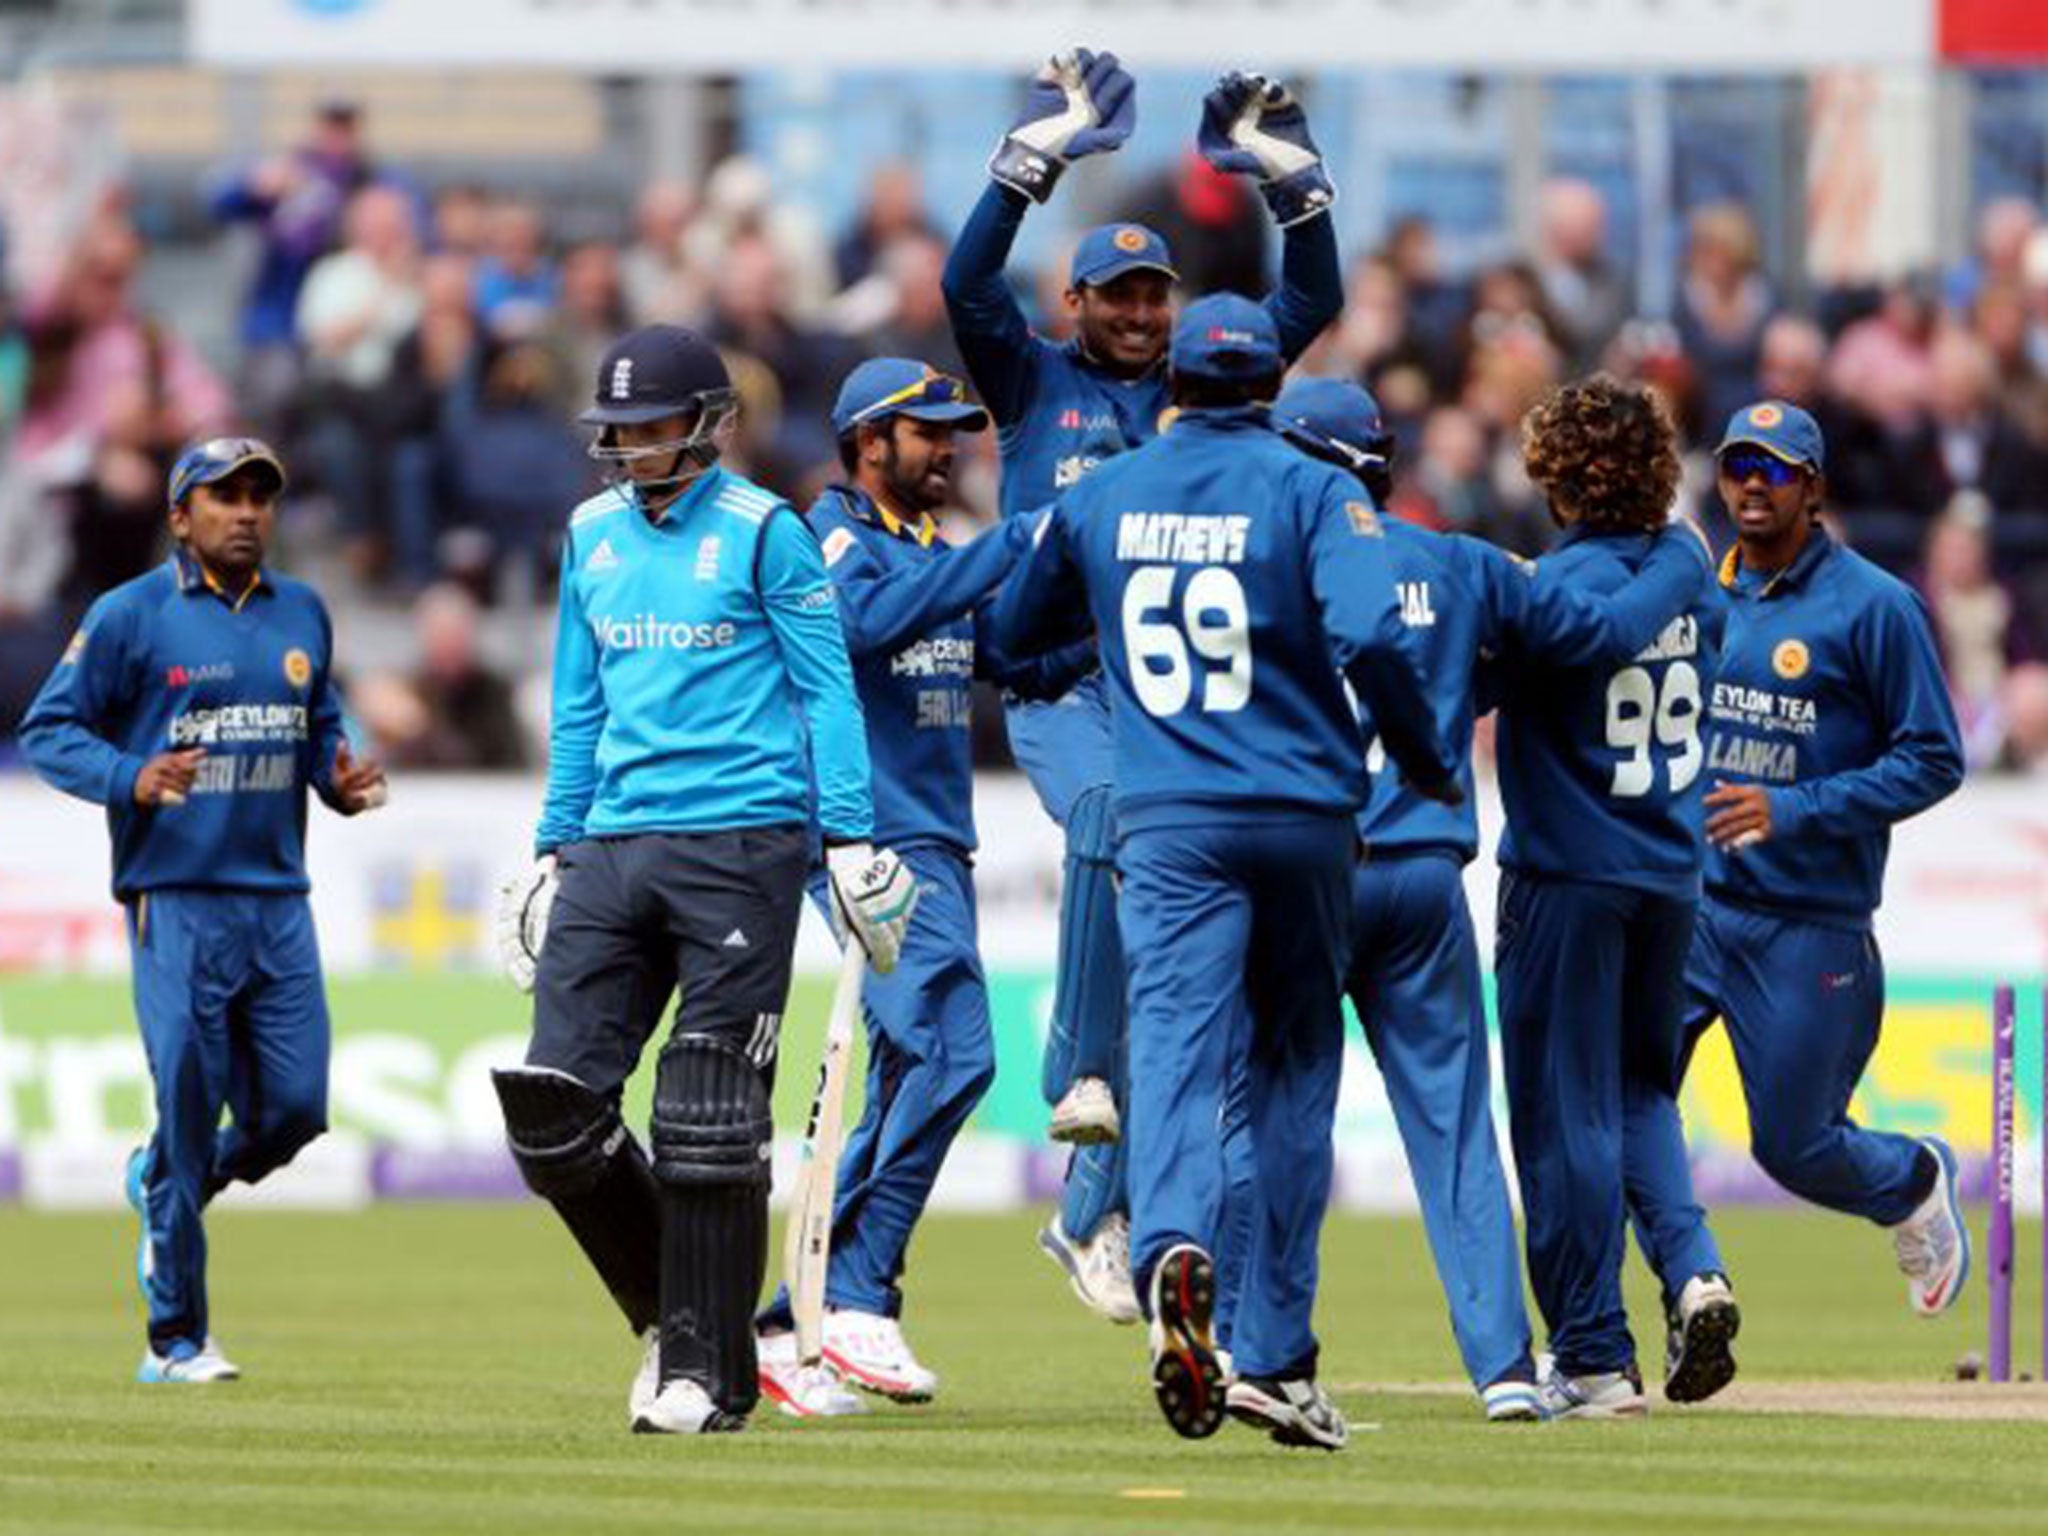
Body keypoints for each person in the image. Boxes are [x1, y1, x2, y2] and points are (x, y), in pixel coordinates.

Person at [994, 295, 1457, 1452]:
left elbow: (1011, 634)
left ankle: (1169, 1251)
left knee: (1177, 1053)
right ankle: (1277, 1356)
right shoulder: (1315, 490)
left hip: (1168, 825)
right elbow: (1369, 637)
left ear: (1180, 383)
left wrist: (1101, 643)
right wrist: (1422, 757)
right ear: (1264, 387)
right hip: (1302, 817)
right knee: (1294, 1073)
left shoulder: (1099, 491)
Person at [943, 50, 1343, 1321]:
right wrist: (1039, 150)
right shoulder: (1030, 385)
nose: (1135, 316)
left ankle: (1085, 1214)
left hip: (1176, 697)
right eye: (1112, 296)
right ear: (1071, 304)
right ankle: (1074, 1076)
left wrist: (1292, 184)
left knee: (1184, 978)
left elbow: (1310, 301)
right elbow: (962, 281)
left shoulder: (1206, 383)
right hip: (1062, 686)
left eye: (1151, 297)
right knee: (1110, 824)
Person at [487, 324, 917, 1437]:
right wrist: (551, 842)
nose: (630, 448)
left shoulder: (764, 532)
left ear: (706, 424)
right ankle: (671, 1324)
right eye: (616, 431)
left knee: (708, 1118)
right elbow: (578, 699)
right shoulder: (589, 532)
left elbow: (827, 694)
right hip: (612, 848)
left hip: (742, 846)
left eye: (650, 427)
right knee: (552, 1113)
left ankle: (706, 1376)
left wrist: (849, 839)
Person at [1266, 378, 1713, 1423]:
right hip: (1451, 875)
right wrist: (1690, 560)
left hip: (1314, 870)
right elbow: (1592, 640)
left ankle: (1267, 1353)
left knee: (1281, 1116)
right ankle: (1508, 1369)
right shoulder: (1463, 562)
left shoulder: (1258, 568)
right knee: (1464, 1132)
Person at [752, 358, 1094, 1415]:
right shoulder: (828, 541)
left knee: (921, 1066)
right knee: (952, 1051)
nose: (948, 446)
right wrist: (1017, 540)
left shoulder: (922, 551)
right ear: (868, 442)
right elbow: (865, 627)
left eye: (953, 429)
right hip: (870, 841)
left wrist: (1101, 619)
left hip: (935, 842)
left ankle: (790, 1319)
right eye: (927, 431)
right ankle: (854, 1295)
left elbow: (1003, 657)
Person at [19, 436, 388, 1382]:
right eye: (223, 497)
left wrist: (338, 780)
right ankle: (176, 1339)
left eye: (260, 497)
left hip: (278, 902)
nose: (246, 513)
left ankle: (164, 1186)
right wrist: (130, 777)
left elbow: (319, 727)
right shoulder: (129, 617)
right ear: (181, 517)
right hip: (174, 900)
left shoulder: (302, 611)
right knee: (186, 1104)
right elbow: (49, 729)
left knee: (297, 1111)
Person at [1624, 402, 1968, 1362]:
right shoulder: (1695, 590)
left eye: (1775, 470)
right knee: (1622, 1097)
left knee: (1795, 1146)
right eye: (1738, 466)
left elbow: (1936, 759)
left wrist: (1797, 807)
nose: (1752, 486)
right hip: (1692, 906)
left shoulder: (1877, 607)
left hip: (1809, 922)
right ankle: (1684, 1301)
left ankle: (1909, 1183)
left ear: (1814, 488)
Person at [1487, 375, 1726, 1419]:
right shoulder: (1690, 571)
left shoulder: (1551, 587)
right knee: (1639, 1095)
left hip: (1567, 880)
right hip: (1669, 874)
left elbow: (1469, 687)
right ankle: (1693, 1271)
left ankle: (1589, 1352)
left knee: (1558, 1119)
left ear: (1555, 478)